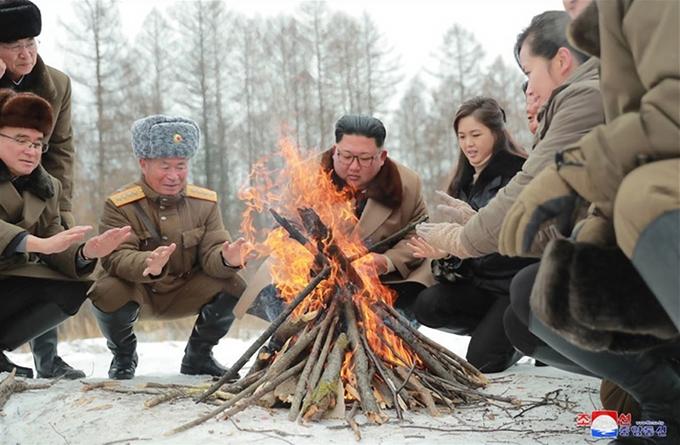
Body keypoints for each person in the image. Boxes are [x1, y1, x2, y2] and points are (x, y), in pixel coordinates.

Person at [499, 1, 679, 443]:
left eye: (529, 75)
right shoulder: (610, 42)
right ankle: (666, 403)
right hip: (641, 249)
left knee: (645, 194)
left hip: (655, 228)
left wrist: (571, 174)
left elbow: (667, 122)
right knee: (544, 291)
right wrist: (593, 231)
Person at [88, 115, 251, 380]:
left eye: (181, 166)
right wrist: (147, 264)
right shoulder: (120, 205)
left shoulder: (205, 203)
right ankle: (124, 355)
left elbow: (212, 254)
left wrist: (227, 258)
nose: (174, 176)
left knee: (235, 284)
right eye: (164, 166)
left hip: (184, 290)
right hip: (139, 291)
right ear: (144, 164)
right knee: (106, 290)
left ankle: (198, 357)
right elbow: (115, 258)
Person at [236, 114, 435, 322]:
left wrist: (385, 261)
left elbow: (419, 233)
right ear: (334, 150)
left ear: (382, 156)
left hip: (384, 283)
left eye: (365, 158)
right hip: (312, 279)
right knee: (282, 299)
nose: (354, 166)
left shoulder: (407, 183)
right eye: (346, 156)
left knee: (392, 322)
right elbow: (285, 228)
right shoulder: (307, 175)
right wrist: (315, 256)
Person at [0, 89, 130, 378]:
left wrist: (85, 252)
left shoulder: (47, 187)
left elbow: (54, 235)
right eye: (20, 140)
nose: (30, 150)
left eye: (37, 144)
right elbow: (39, 241)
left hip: (8, 280)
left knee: (73, 284)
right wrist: (36, 244)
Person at [406, 97, 536, 373]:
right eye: (462, 136)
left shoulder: (518, 175)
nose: (468, 143)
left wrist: (463, 244)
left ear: (497, 133)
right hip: (481, 286)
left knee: (482, 360)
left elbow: (522, 247)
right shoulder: (463, 181)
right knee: (427, 305)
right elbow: (464, 250)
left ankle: (523, 338)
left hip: (514, 287)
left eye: (476, 134)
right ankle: (497, 332)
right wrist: (446, 253)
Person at [0, 0, 81, 379]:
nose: (26, 53)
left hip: (38, 190)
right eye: (14, 44)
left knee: (55, 258)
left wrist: (60, 207)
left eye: (31, 42)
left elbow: (61, 149)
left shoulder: (57, 84)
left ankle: (48, 358)